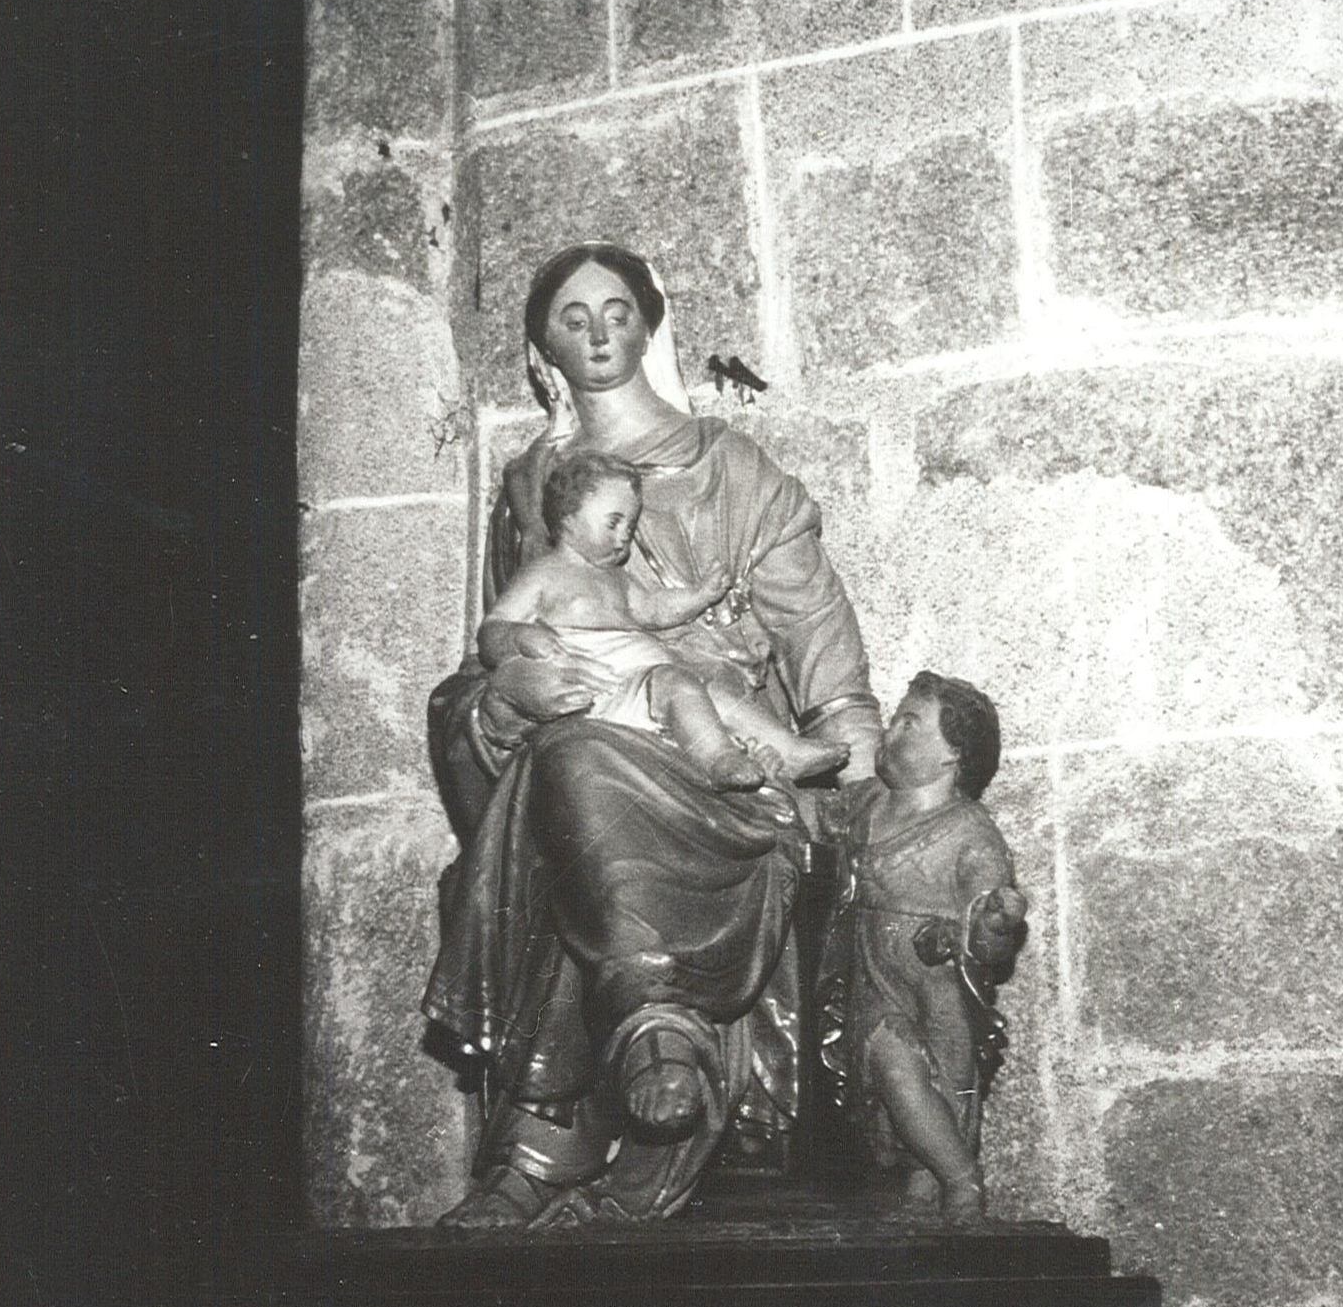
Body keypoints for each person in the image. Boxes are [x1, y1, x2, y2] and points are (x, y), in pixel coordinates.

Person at [423, 243, 882, 1227]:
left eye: (618, 311)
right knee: (556, 769)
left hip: (722, 762)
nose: (598, 334)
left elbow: (815, 630)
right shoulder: (531, 490)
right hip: (583, 736)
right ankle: (631, 1063)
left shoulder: (728, 468)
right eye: (571, 318)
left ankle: (552, 1142)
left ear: (649, 324)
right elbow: (496, 646)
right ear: (541, 346)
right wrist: (501, 703)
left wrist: (856, 749)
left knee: (574, 772)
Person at [476, 447, 850, 790]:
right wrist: (520, 638)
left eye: (630, 526)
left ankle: (786, 749)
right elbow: (492, 631)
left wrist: (700, 596)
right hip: (602, 690)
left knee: (711, 694)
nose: (624, 536)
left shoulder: (618, 579)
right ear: (569, 517)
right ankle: (716, 760)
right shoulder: (544, 574)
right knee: (679, 685)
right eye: (613, 522)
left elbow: (655, 610)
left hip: (644, 679)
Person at [821, 672, 1027, 1224]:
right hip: (870, 976)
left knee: (934, 1079)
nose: (892, 728)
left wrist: (992, 923)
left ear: (952, 755)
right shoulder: (866, 805)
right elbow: (814, 822)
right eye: (894, 717)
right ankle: (933, 1185)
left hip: (933, 985)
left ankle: (957, 1184)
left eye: (910, 722)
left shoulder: (969, 832)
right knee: (889, 1072)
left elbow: (988, 937)